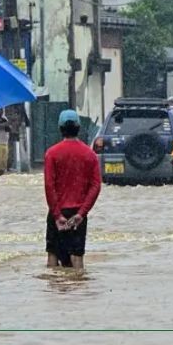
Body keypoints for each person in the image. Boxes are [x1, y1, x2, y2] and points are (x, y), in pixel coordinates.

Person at [44, 110, 102, 269]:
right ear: (78, 128)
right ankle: (78, 292)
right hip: (78, 214)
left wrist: (57, 216)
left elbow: (49, 186)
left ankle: (52, 293)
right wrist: (81, 214)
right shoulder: (89, 155)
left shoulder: (52, 154)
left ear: (60, 128)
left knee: (53, 257)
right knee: (77, 258)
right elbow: (96, 186)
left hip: (57, 213)